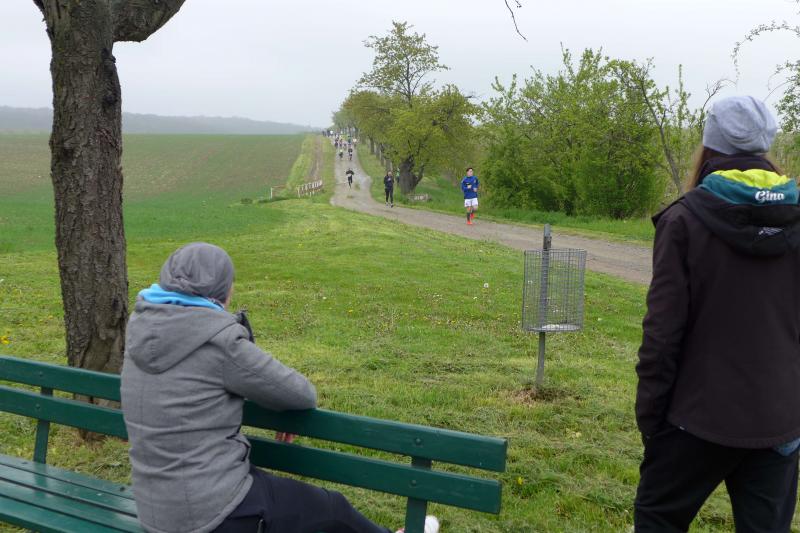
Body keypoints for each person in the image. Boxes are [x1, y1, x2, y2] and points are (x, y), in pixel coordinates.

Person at [121, 243, 439, 533]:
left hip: (156, 511)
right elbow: (300, 393)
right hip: (210, 514)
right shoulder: (218, 341)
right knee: (333, 509)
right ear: (222, 291)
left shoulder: (141, 330)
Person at [634, 96, 800, 532]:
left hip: (695, 419)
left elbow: (661, 335)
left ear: (709, 144)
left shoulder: (684, 220)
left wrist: (651, 419)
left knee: (657, 519)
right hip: (779, 420)